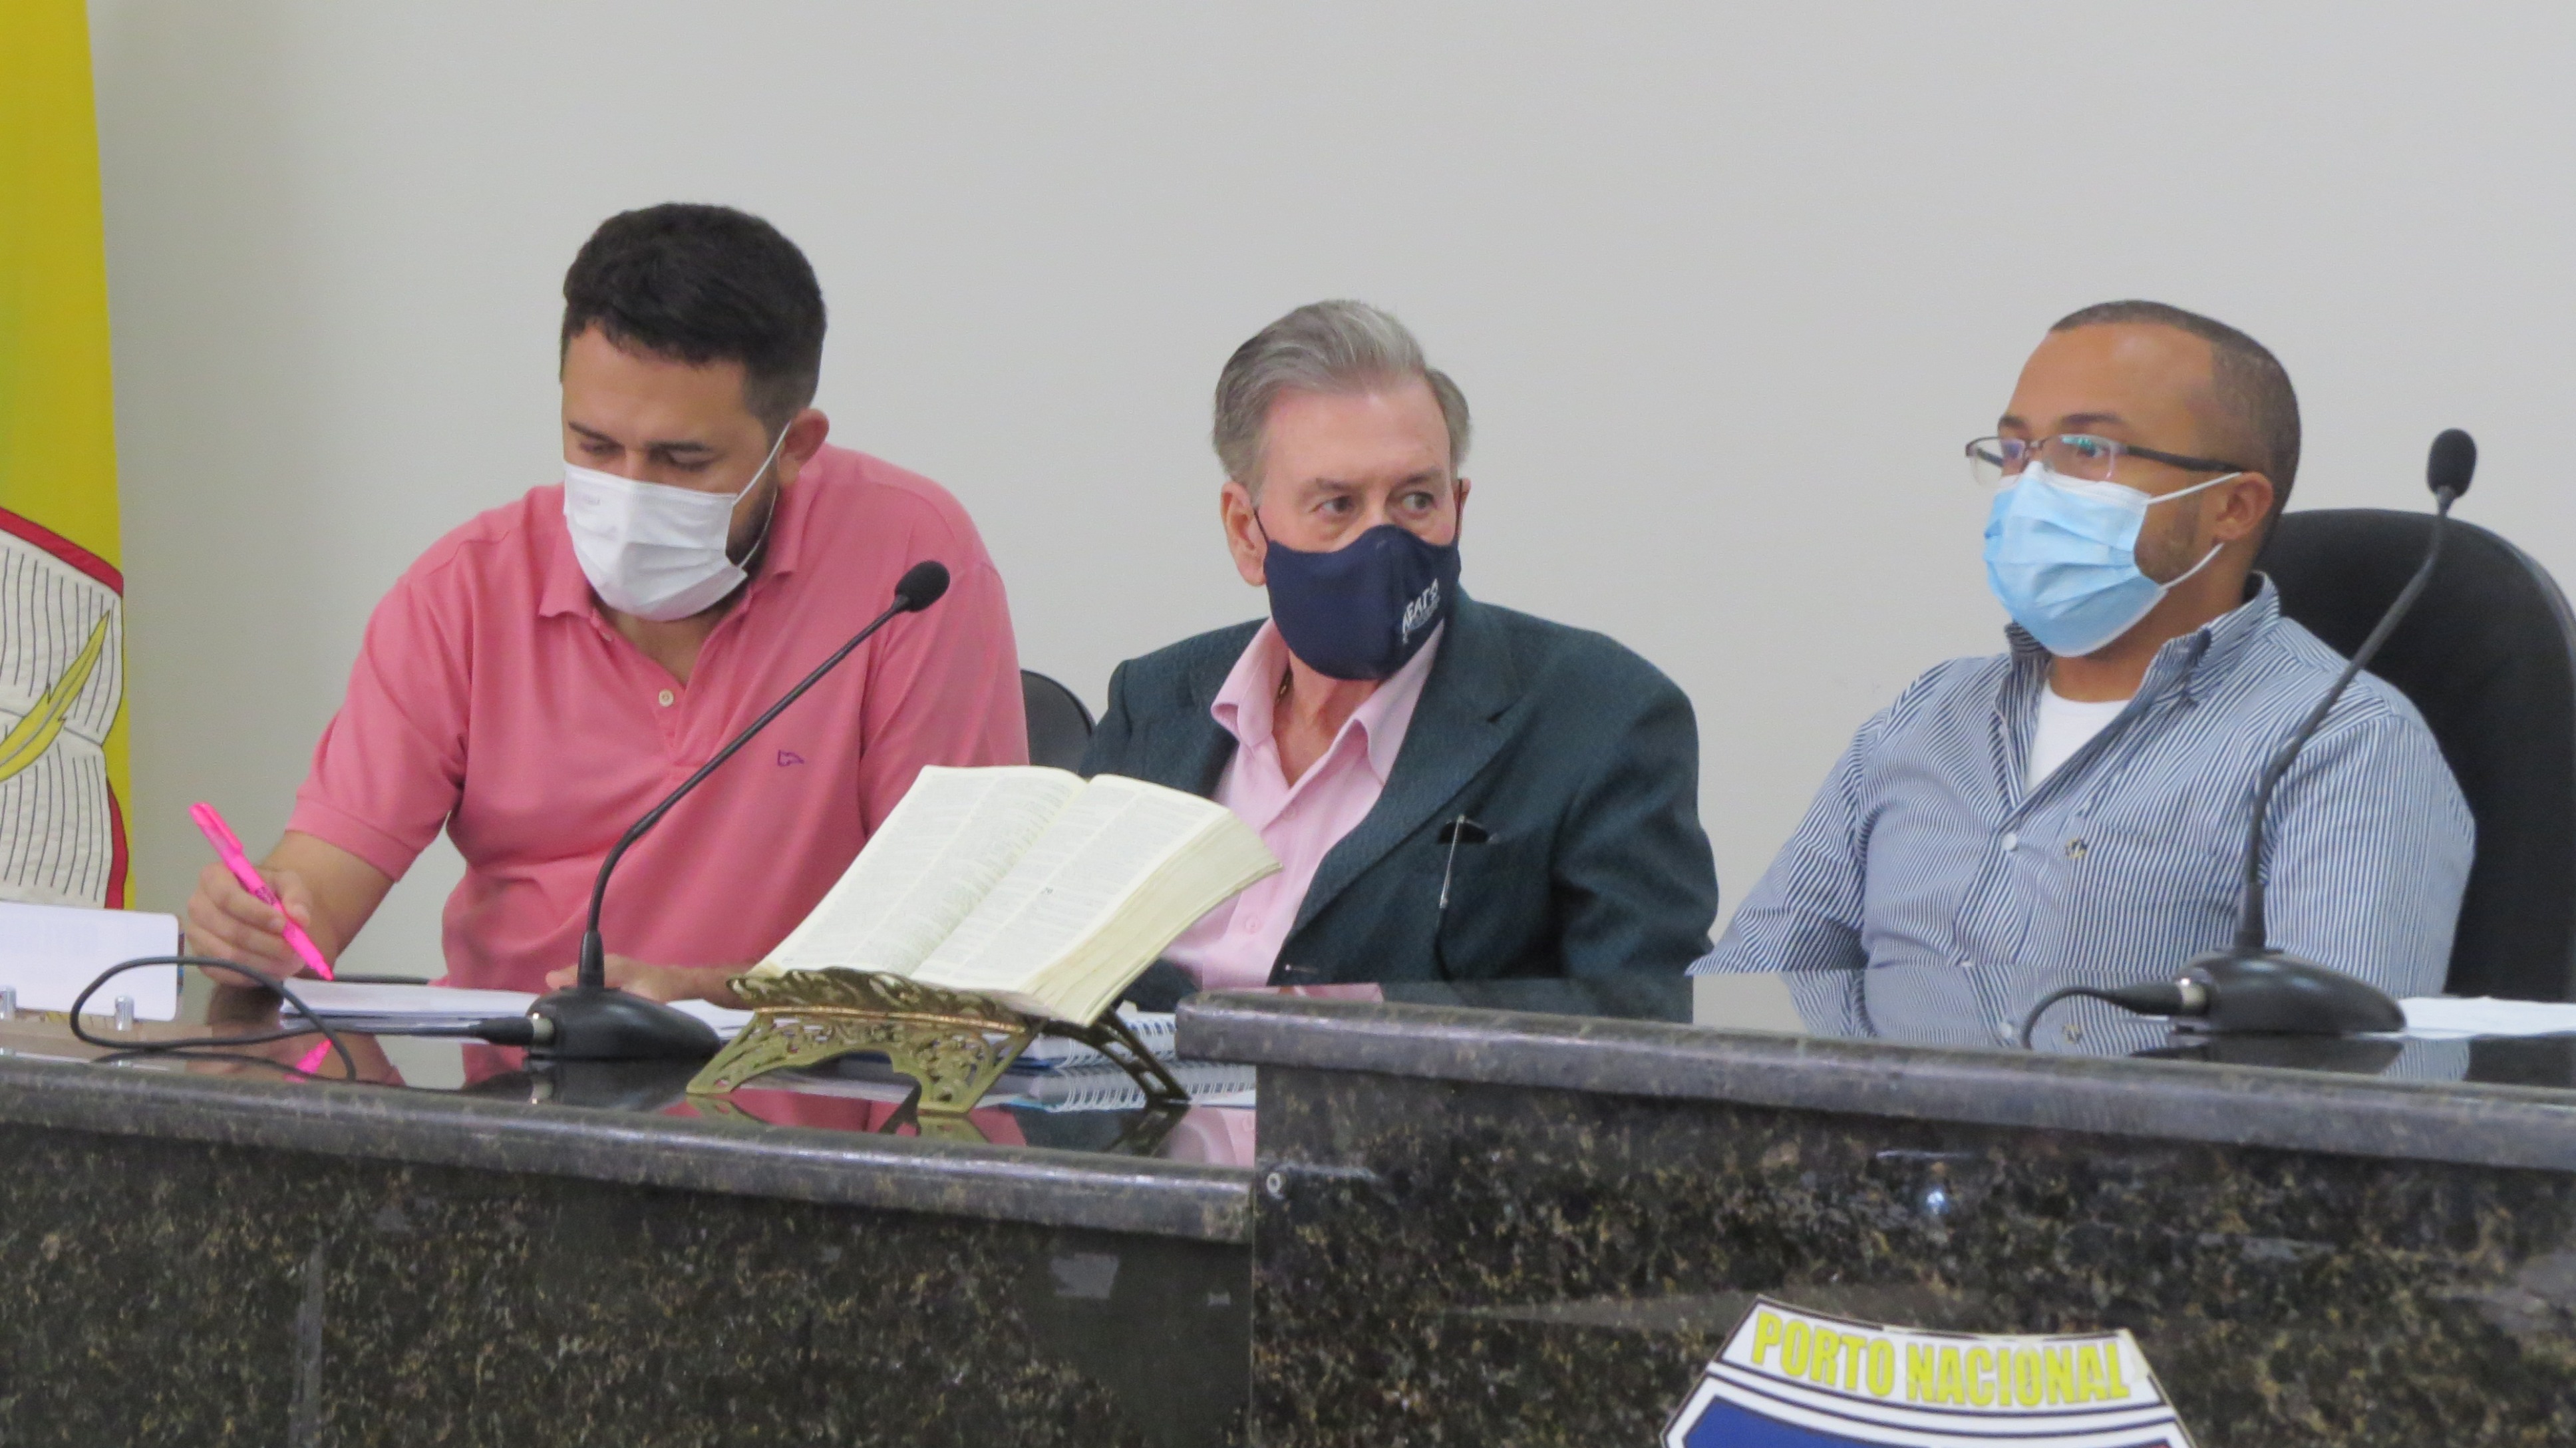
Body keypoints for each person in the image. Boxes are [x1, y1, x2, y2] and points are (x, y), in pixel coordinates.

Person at [185, 204, 1026, 1000]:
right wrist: (260, 929)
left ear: (793, 447)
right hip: (521, 1087)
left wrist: (707, 997)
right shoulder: (464, 592)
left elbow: (953, 939)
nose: (628, 494)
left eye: (682, 461)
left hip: (814, 1089)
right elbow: (319, 889)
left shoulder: (910, 563)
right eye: (593, 445)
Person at [1694, 300, 2472, 1051]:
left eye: (2087, 451)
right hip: (1863, 1138)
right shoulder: (1928, 713)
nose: (2029, 487)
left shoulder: (2344, 742)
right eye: (2014, 451)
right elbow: (1741, 1002)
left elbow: (2342, 1075)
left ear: (2232, 507)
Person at [1084, 299, 1717, 992]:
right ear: (1245, 531)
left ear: (1458, 506)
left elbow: (1643, 1009)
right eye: (1337, 505)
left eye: (1416, 500)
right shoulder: (1154, 703)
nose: (1381, 542)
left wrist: (1346, 1024)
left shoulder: (1599, 718)